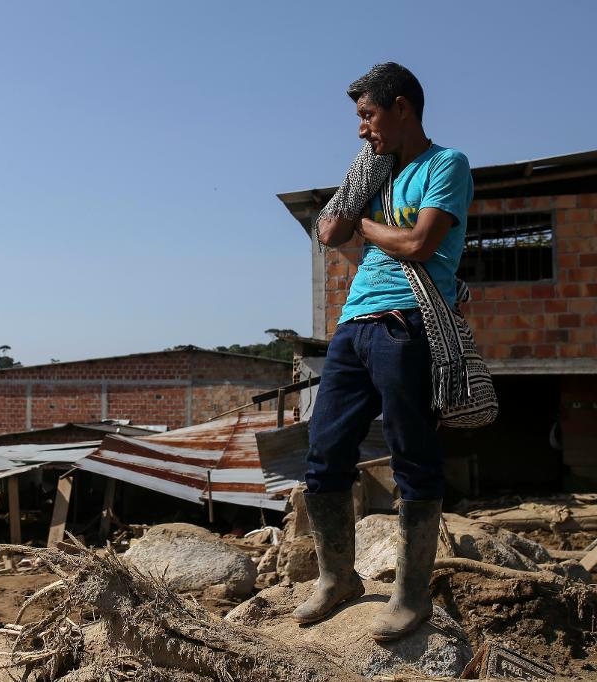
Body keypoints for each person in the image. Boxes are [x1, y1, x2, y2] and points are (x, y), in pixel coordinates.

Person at [291, 62, 473, 642]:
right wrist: (364, 175)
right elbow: (327, 232)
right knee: (324, 447)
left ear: (402, 107)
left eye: (368, 115)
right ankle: (335, 577)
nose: (362, 128)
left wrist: (369, 228)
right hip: (355, 323)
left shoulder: (446, 165)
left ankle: (411, 595)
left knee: (411, 451)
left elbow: (420, 242)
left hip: (408, 321)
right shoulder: (379, 171)